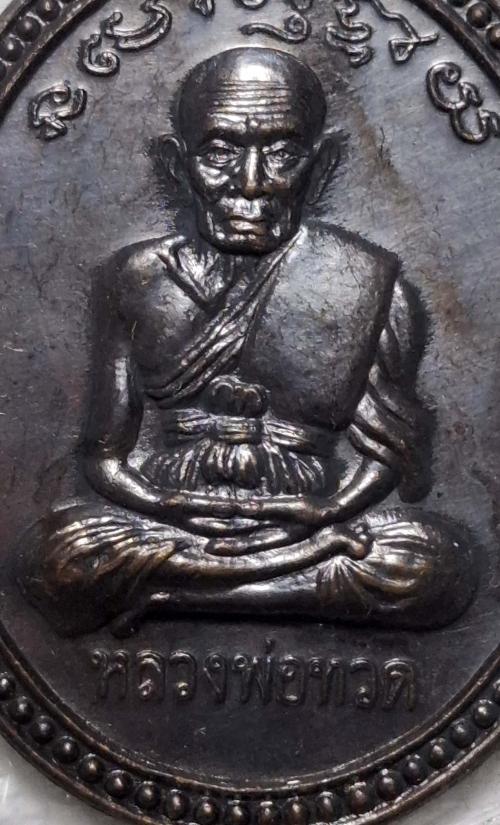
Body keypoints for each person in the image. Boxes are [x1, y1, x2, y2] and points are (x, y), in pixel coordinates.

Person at [17, 47, 477, 636]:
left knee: (438, 564)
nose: (252, 183)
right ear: (176, 164)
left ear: (321, 165)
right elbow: (102, 456)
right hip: (175, 522)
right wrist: (168, 506)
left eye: (283, 154)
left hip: (307, 524)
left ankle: (178, 597)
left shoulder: (368, 283)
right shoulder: (134, 279)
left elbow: (392, 459)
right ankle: (275, 588)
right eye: (219, 152)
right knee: (54, 559)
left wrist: (324, 512)